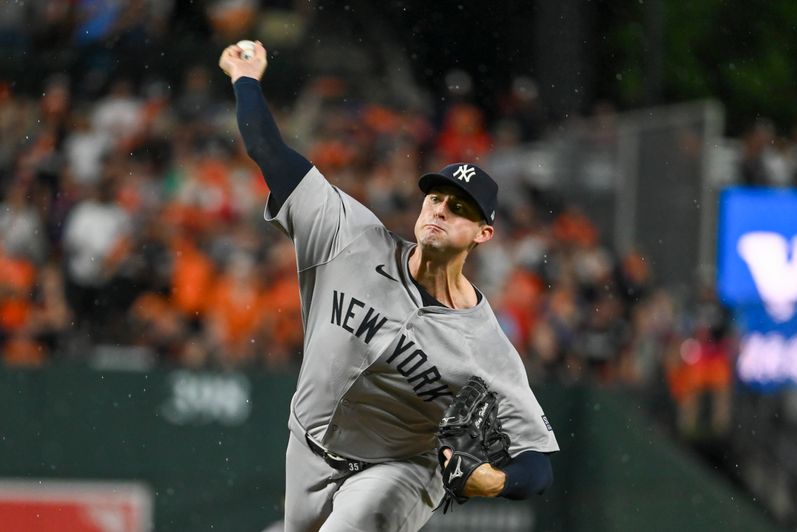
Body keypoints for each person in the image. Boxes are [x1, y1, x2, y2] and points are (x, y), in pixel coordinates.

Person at [219, 41, 559, 532]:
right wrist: (245, 76)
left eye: (459, 207)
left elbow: (538, 464)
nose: (440, 209)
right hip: (307, 445)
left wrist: (496, 481)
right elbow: (267, 150)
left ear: (484, 234)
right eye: (436, 198)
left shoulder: (486, 347)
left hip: (402, 470)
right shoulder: (349, 237)